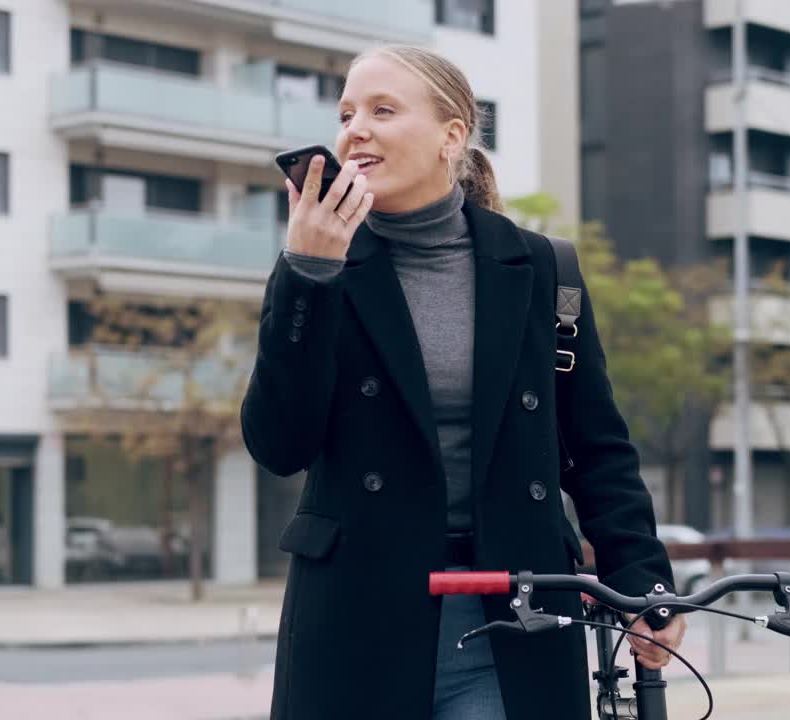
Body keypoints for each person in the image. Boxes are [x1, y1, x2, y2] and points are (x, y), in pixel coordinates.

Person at [241, 45, 686, 720]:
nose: (354, 129)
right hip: (360, 615)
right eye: (346, 112)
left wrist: (645, 580)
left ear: (452, 136)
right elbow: (279, 443)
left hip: (515, 612)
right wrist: (309, 273)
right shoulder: (321, 263)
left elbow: (595, 447)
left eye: (382, 110)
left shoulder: (538, 267)